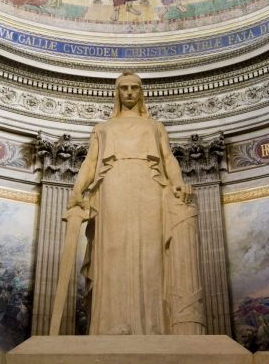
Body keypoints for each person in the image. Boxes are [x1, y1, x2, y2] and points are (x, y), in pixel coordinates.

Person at [67, 69, 205, 336]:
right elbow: (90, 163)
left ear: (141, 93)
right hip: (112, 186)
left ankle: (156, 325)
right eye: (124, 88)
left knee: (151, 255)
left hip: (150, 187)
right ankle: (111, 322)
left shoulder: (154, 127)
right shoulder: (103, 129)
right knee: (113, 252)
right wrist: (77, 191)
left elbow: (168, 158)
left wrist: (177, 182)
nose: (129, 92)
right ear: (116, 93)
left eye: (134, 88)